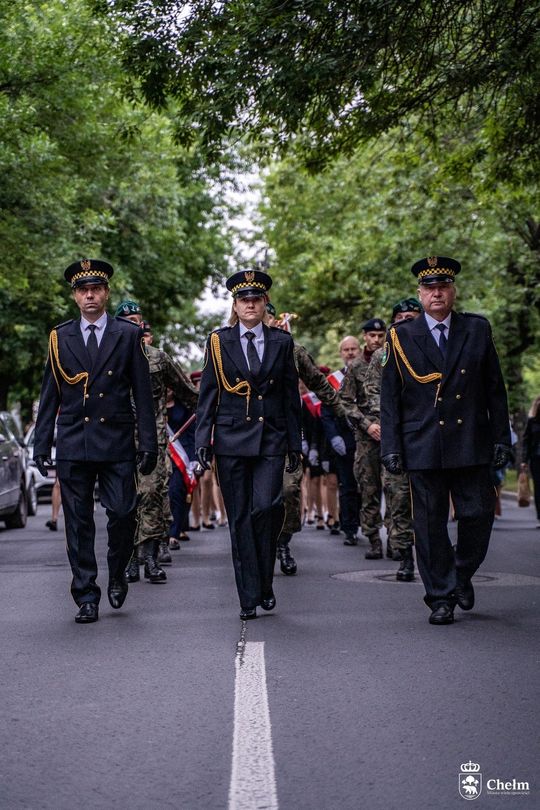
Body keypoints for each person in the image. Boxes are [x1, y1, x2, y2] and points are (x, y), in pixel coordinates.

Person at [380, 256, 512, 625]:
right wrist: (390, 447)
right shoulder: (401, 336)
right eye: (429, 288)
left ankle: (461, 572)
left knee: (479, 514)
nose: (436, 293)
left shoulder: (476, 329)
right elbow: (390, 398)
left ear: (452, 291)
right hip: (422, 443)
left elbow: (494, 390)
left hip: (471, 441)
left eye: (443, 287)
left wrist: (502, 437)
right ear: (420, 295)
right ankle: (440, 597)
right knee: (429, 525)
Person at [33, 259, 157, 624]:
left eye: (96, 289)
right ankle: (86, 594)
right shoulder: (60, 337)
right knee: (78, 523)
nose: (90, 295)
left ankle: (118, 571)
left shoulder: (127, 334)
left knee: (122, 513)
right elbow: (50, 394)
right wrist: (42, 446)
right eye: (83, 290)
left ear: (106, 293)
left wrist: (147, 443)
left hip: (117, 441)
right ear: (75, 296)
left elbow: (142, 394)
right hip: (74, 442)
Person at [195, 267, 302, 619]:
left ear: (266, 302)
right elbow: (208, 394)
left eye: (256, 298)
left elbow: (290, 396)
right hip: (230, 440)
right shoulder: (218, 341)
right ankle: (248, 595)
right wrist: (203, 440)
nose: (250, 304)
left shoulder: (282, 342)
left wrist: (294, 444)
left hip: (271, 438)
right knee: (240, 518)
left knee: (268, 508)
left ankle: (265, 581)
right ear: (235, 305)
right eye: (244, 299)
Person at [115, 304, 199, 583]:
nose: (132, 326)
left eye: (136, 322)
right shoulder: (107, 358)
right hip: (116, 441)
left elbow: (189, 392)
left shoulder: (158, 359)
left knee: (151, 494)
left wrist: (217, 407)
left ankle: (150, 557)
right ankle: (128, 557)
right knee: (124, 502)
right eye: (126, 321)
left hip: (153, 440)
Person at [363, 298, 422, 580]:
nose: (405, 321)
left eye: (412, 316)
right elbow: (375, 393)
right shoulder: (383, 354)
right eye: (400, 318)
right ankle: (405, 555)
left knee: (427, 499)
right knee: (398, 497)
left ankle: (432, 554)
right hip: (395, 437)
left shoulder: (431, 346)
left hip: (426, 435)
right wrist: (386, 424)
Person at [339, 318, 387, 555]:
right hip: (367, 437)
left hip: (392, 435)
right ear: (364, 338)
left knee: (397, 491)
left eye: (380, 335)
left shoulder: (395, 361)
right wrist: (367, 425)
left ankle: (399, 541)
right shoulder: (355, 367)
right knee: (369, 490)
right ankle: (374, 539)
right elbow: (346, 402)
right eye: (372, 335)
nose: (376, 340)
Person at [521, 395, 540, 526]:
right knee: (538, 488)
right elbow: (526, 442)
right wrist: (524, 460)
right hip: (536, 459)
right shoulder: (532, 422)